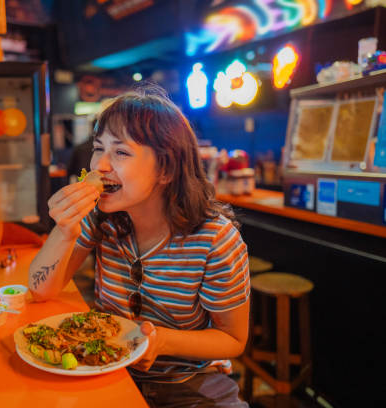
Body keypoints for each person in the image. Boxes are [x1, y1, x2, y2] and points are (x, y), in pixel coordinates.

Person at [28, 82, 250, 407]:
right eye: (98, 147)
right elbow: (40, 290)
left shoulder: (214, 239)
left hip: (192, 386)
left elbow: (233, 339)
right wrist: (64, 230)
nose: (100, 165)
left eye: (120, 152)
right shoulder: (100, 217)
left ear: (165, 168)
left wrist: (160, 342)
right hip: (109, 374)